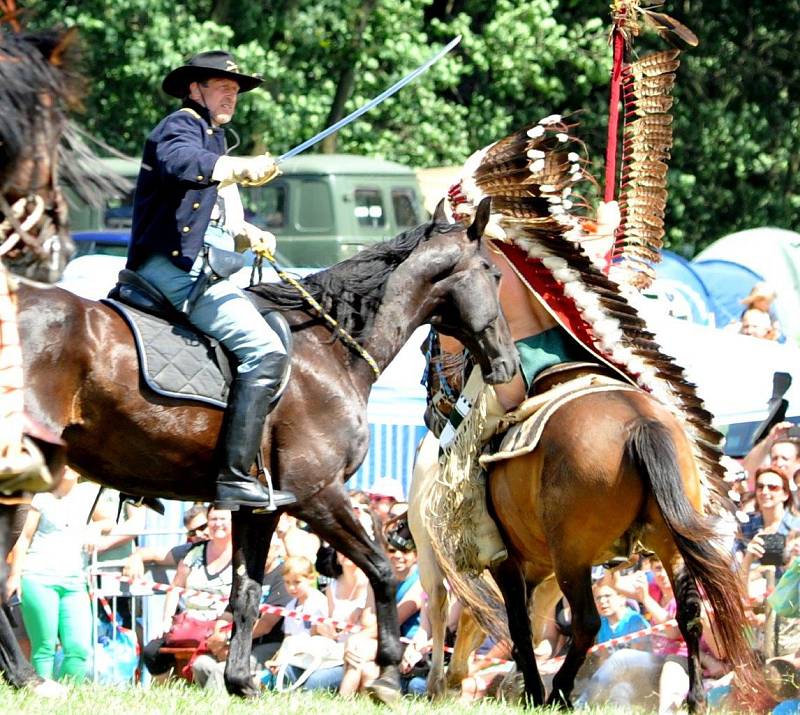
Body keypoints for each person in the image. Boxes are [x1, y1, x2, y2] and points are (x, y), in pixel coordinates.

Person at [127, 50, 295, 511]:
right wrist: (239, 168)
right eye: (222, 86)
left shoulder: (215, 140)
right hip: (176, 271)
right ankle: (234, 475)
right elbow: (183, 165)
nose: (231, 95)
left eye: (235, 90)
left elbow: (210, 215)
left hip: (193, 265)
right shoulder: (179, 126)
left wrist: (244, 234)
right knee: (266, 350)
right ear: (194, 89)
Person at [5, 468, 108, 681]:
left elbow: (109, 521)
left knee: (79, 648)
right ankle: (42, 696)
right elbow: (24, 537)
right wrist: (15, 576)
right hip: (38, 577)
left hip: (76, 582)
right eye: (64, 461)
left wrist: (95, 528)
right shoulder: (41, 495)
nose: (68, 467)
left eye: (73, 462)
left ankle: (70, 698)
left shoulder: (89, 492)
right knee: (44, 647)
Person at [142, 506, 233, 678]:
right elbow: (175, 588)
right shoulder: (193, 552)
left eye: (223, 519)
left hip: (223, 624)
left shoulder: (240, 555)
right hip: (189, 622)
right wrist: (166, 621)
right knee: (152, 652)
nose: (217, 524)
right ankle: (164, 694)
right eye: (213, 519)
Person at [122, 504, 209, 581]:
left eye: (202, 527)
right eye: (192, 533)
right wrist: (135, 557)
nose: (198, 534)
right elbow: (152, 553)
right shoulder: (189, 552)